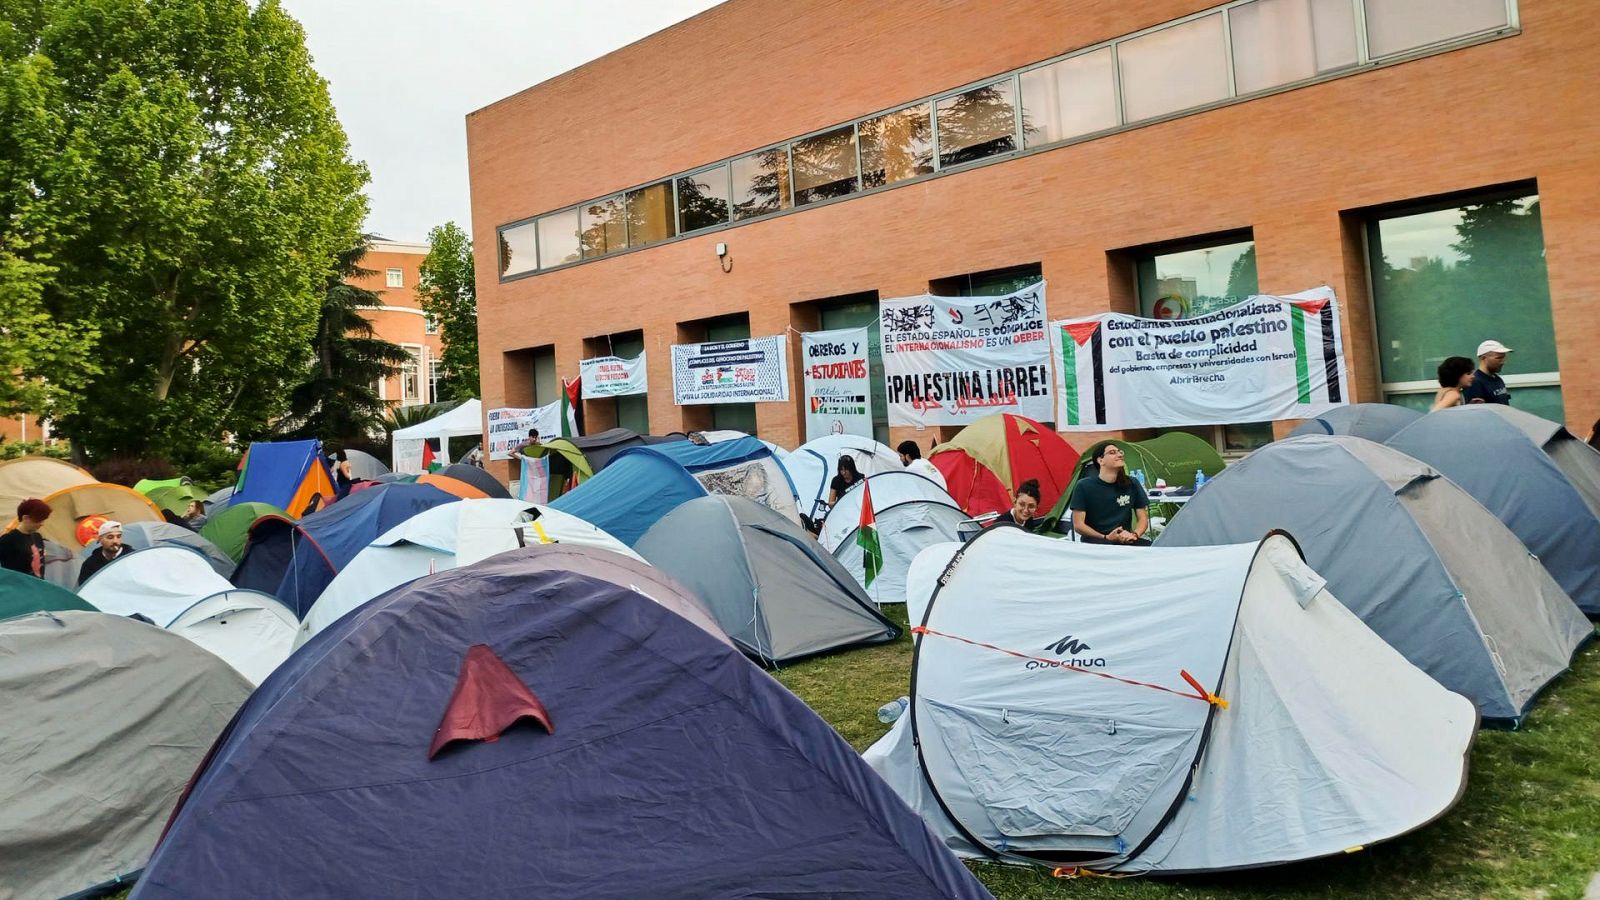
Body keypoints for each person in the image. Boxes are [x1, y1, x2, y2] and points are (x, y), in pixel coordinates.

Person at [1068, 442, 1150, 545]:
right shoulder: (1084, 486)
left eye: (1120, 452)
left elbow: (1143, 518)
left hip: (1125, 539)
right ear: (1100, 460)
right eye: (1112, 452)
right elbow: (1079, 525)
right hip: (1096, 541)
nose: (1120, 455)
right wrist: (1106, 537)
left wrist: (1134, 535)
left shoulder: (1132, 483)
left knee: (1155, 550)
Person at [0, 498, 51, 577]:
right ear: (25, 518)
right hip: (18, 587)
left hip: (38, 586)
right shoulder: (7, 540)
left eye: (43, 520)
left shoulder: (37, 537)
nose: (42, 524)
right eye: (39, 520)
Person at [1461, 340, 1513, 405]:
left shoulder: (1497, 379)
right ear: (1483, 358)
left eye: (1503, 358)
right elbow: (1475, 412)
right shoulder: (1474, 382)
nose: (1503, 362)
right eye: (1498, 358)